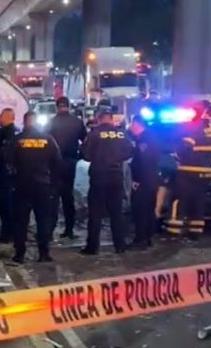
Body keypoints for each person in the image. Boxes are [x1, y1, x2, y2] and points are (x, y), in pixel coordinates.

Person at [165, 101, 211, 240]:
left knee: (179, 201)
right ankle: (195, 232)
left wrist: (178, 156)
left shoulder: (191, 128)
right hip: (205, 172)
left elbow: (183, 148)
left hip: (187, 171)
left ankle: (174, 232)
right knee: (198, 202)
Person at [81, 107, 133, 255]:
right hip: (116, 176)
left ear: (98, 118)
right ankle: (120, 245)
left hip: (99, 176)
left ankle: (92, 247)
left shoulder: (94, 134)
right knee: (116, 213)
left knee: (95, 214)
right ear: (111, 118)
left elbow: (85, 154)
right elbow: (129, 152)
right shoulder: (122, 134)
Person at [12, 110, 62, 264]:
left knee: (21, 221)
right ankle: (43, 253)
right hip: (42, 185)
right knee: (43, 220)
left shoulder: (17, 140)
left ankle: (20, 254)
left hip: (22, 185)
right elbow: (58, 162)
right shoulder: (48, 140)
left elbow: (6, 159)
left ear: (24, 122)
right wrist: (53, 183)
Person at [49, 96, 87, 239]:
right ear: (69, 106)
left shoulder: (51, 123)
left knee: (53, 197)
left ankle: (50, 230)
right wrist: (81, 155)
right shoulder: (77, 122)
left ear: (57, 106)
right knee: (68, 197)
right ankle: (69, 229)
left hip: (55, 164)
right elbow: (85, 140)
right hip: (70, 162)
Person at [129, 113, 161, 247]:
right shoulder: (150, 137)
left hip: (144, 181)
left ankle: (141, 239)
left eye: (132, 124)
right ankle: (148, 238)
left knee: (141, 210)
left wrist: (137, 180)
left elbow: (144, 162)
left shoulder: (143, 140)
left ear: (137, 124)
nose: (130, 127)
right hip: (151, 180)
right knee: (149, 210)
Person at [0, 108, 17, 243]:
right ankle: (7, 232)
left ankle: (8, 234)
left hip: (6, 175)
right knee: (5, 205)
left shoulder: (9, 134)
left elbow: (4, 154)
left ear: (8, 117)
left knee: (7, 205)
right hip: (5, 174)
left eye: (1, 116)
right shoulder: (6, 133)